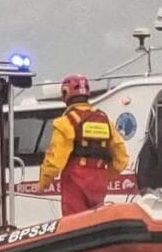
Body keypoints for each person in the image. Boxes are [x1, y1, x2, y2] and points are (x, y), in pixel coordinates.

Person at [37, 74, 129, 216]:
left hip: (75, 180)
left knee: (74, 222)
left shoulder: (65, 122)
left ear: (65, 94)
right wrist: (105, 176)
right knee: (96, 221)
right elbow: (121, 160)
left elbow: (55, 160)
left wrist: (43, 183)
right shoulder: (105, 121)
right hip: (99, 180)